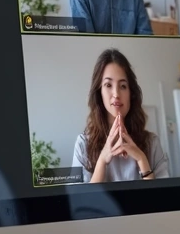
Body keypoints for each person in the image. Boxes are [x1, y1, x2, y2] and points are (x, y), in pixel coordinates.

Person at [72, 48, 168, 182]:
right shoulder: (83, 145)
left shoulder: (152, 143)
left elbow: (163, 200)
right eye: (108, 85)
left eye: (123, 86)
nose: (116, 94)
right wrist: (102, 160)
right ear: (99, 92)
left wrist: (141, 159)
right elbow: (81, 202)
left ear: (131, 93)